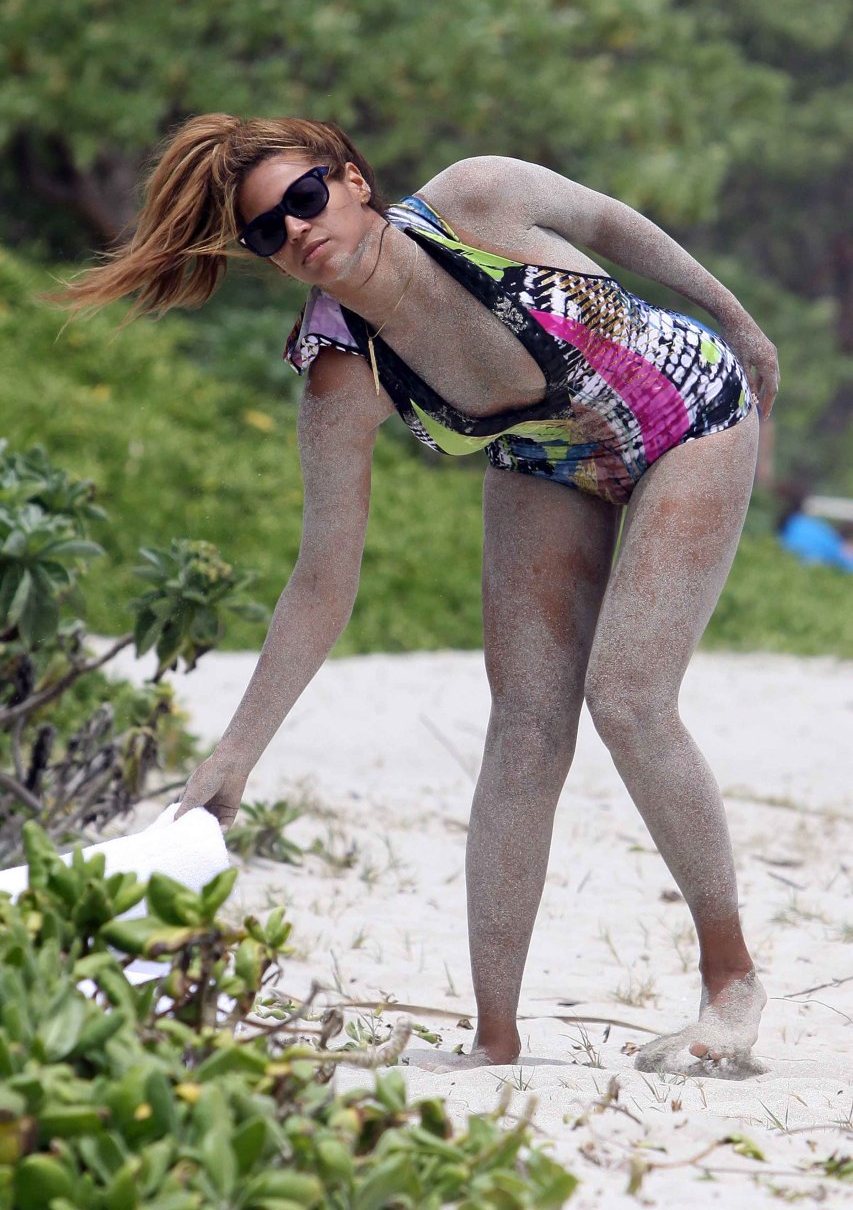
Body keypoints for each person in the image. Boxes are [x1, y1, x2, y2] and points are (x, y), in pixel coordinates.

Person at [56, 114, 780, 1076]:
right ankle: (493, 1037)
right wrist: (235, 754)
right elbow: (322, 581)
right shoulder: (341, 374)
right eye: (267, 230)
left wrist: (735, 319)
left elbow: (611, 224)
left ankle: (730, 983)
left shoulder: (479, 199)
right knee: (523, 725)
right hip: (547, 460)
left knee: (626, 697)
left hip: (688, 411)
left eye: (305, 197)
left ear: (351, 180)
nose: (297, 230)